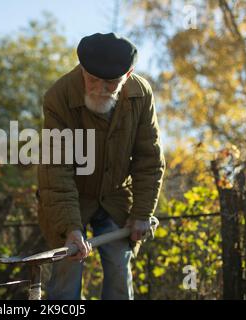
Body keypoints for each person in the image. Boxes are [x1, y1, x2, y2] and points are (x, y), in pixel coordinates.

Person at [36, 33, 166, 300]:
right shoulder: (58, 97)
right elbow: (55, 171)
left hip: (116, 197)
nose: (99, 88)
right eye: (92, 79)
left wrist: (142, 213)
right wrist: (71, 228)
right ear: (82, 68)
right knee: (66, 273)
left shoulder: (141, 95)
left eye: (111, 83)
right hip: (72, 198)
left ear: (128, 75)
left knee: (119, 266)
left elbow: (149, 159)